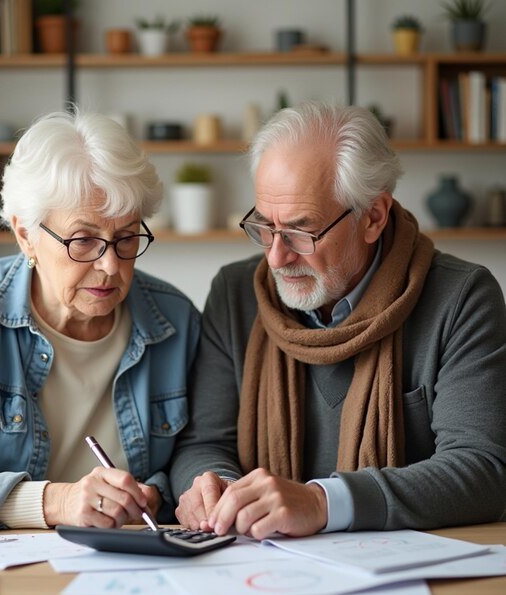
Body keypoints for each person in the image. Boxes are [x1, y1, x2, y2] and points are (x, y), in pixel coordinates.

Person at [170, 101, 506, 540]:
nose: (275, 255)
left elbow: (483, 470)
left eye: (300, 232)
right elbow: (203, 444)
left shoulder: (462, 297)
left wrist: (321, 502)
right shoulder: (235, 295)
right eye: (264, 226)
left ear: (373, 217)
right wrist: (216, 489)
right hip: (260, 568)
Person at [0, 110, 200, 531]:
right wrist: (56, 502)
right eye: (83, 240)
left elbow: (198, 451)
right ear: (25, 235)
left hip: (132, 551)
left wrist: (156, 493)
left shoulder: (176, 320)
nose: (110, 264)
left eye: (126, 237)